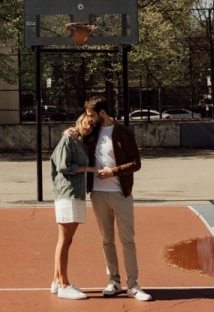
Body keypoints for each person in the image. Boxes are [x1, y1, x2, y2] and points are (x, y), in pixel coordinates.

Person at [83, 95, 152, 301]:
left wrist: (112, 172)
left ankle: (133, 285)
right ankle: (114, 281)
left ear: (102, 113)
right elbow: (76, 136)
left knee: (127, 240)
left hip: (120, 194)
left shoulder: (123, 133)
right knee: (107, 240)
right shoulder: (91, 133)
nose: (89, 119)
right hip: (97, 194)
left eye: (91, 115)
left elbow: (136, 163)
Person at [50, 113, 97, 300]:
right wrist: (87, 169)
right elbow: (63, 166)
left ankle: (56, 281)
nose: (89, 126)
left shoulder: (81, 142)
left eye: (92, 125)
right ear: (80, 120)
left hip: (76, 193)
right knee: (64, 240)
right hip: (67, 193)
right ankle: (64, 285)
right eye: (87, 122)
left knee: (68, 240)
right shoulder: (68, 138)